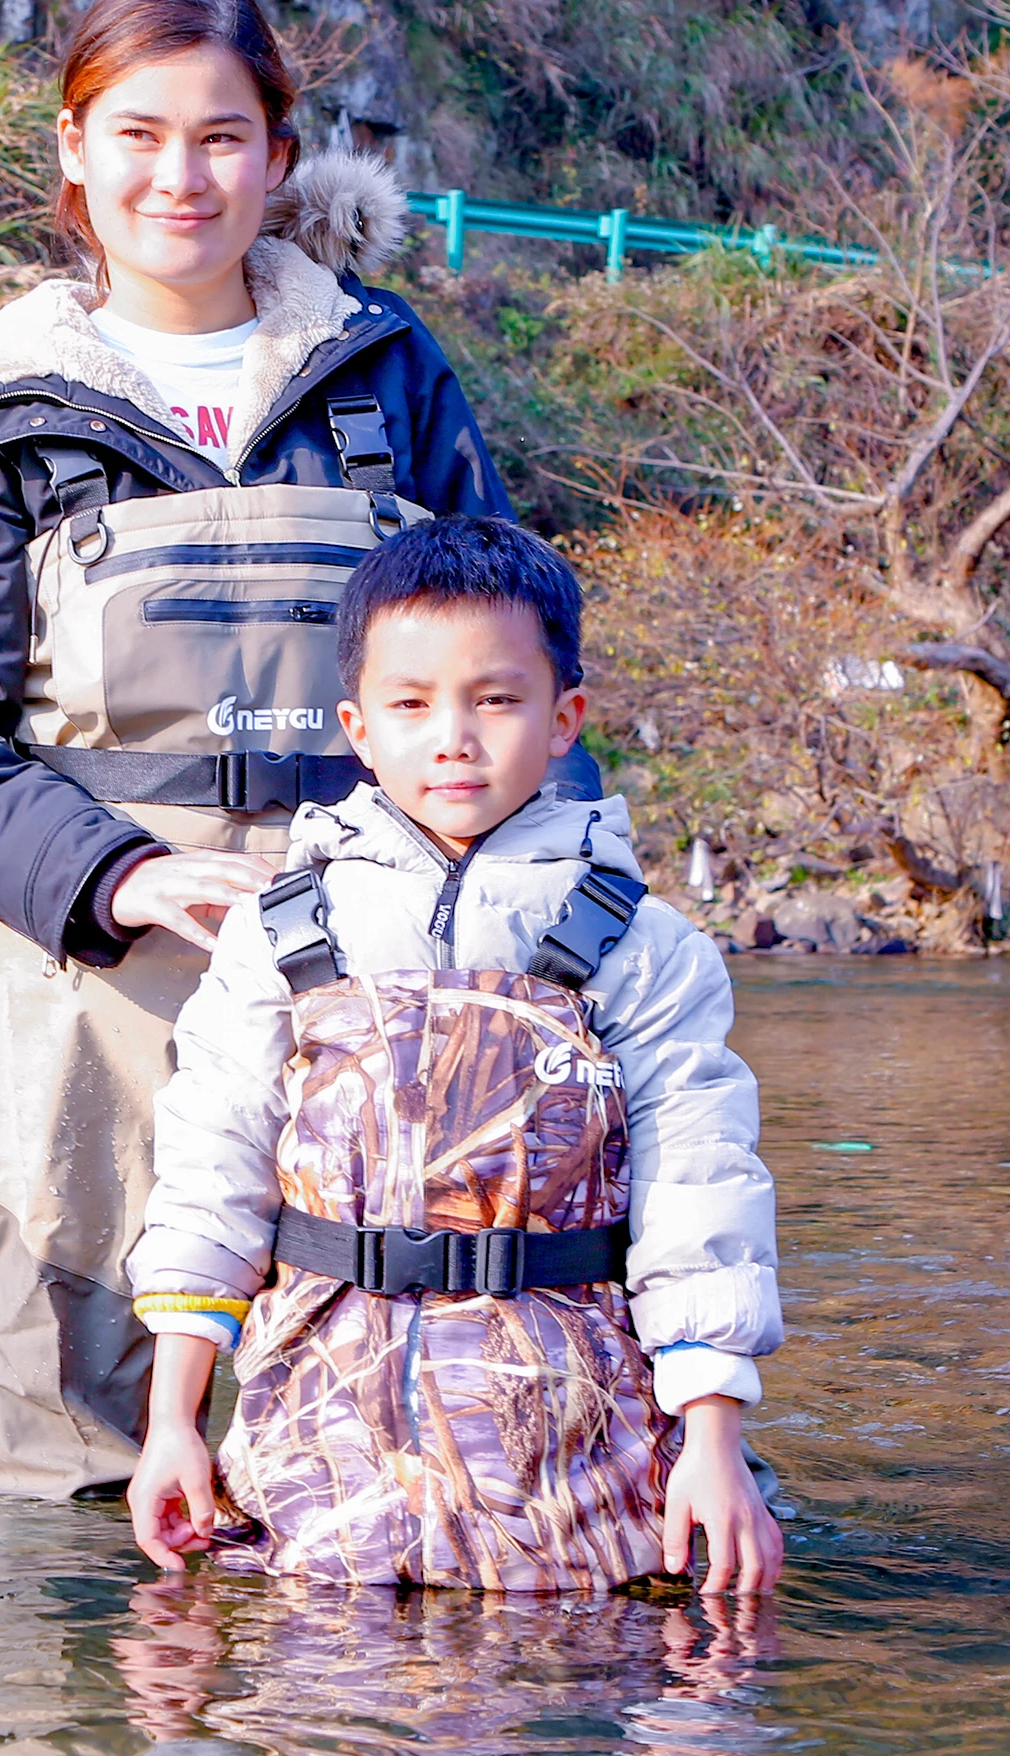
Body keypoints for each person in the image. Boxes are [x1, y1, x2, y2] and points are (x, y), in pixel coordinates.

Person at [0, 0, 545, 1499]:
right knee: (72, 1433)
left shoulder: (390, 376)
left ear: (280, 160)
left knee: (368, 1416)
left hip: (375, 972)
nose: (181, 175)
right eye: (138, 134)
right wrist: (122, 878)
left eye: (223, 137)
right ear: (73, 151)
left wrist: (570, 911)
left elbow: (513, 663)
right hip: (88, 991)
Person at [126, 516, 784, 1594]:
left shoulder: (645, 947)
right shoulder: (278, 932)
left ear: (564, 715)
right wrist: (171, 1421)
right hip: (318, 1436)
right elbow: (209, 1178)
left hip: (574, 1449)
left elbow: (701, 1192)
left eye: (495, 698)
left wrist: (711, 1435)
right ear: (355, 724)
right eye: (411, 702)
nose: (453, 738)